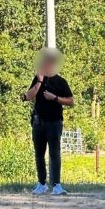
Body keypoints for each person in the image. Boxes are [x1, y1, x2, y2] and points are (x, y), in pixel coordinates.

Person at [24, 48, 75, 196]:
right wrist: (39, 81)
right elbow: (28, 96)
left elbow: (71, 101)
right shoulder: (37, 79)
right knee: (39, 154)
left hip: (54, 122)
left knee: (54, 153)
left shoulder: (60, 81)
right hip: (38, 122)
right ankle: (41, 183)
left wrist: (54, 98)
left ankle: (57, 185)